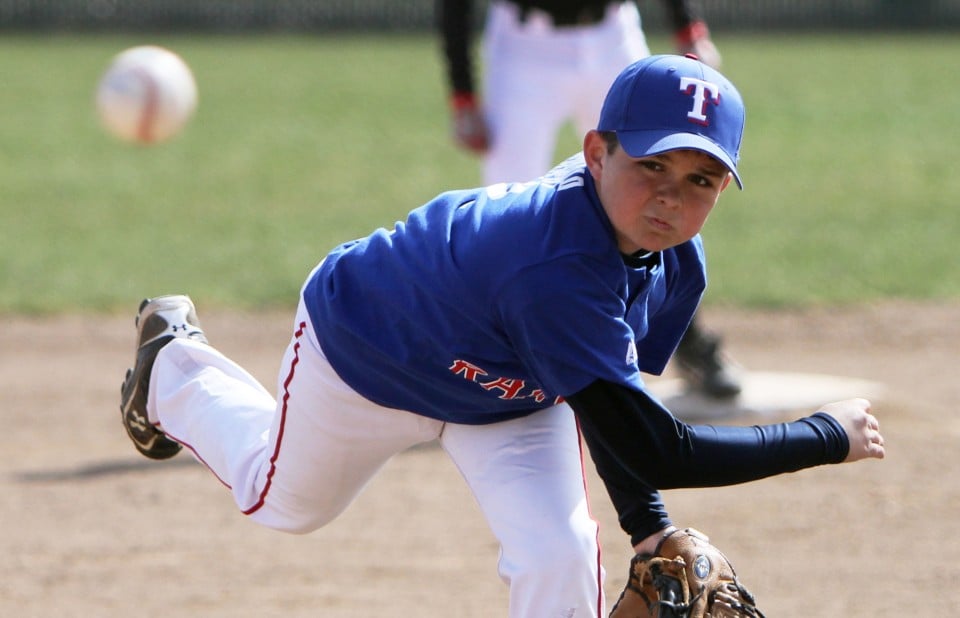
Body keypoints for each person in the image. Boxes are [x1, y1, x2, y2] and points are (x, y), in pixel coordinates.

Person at [119, 55, 885, 617]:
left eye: (701, 180)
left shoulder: (673, 260)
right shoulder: (554, 264)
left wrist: (648, 531)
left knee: (556, 556)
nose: (669, 197)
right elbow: (657, 446)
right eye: (651, 164)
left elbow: (612, 404)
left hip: (512, 392)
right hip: (369, 352)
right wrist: (825, 436)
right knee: (282, 501)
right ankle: (171, 368)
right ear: (596, 151)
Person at [437, 0, 742, 398]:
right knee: (505, 212)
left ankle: (685, 342)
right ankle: (483, 360)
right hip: (524, 48)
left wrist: (687, 27)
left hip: (612, 39)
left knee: (664, 182)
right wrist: (462, 93)